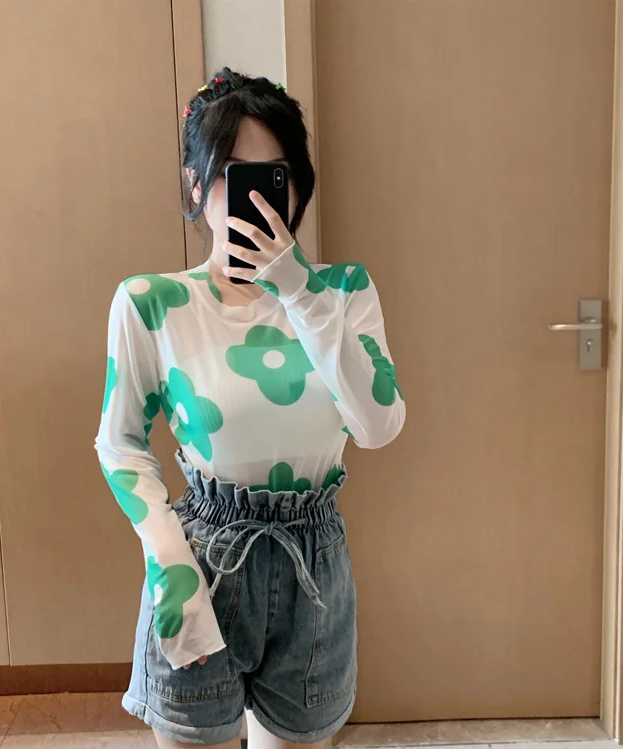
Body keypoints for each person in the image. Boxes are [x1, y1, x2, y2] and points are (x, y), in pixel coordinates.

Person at [95, 67, 405, 749]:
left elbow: (378, 425)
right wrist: (167, 556)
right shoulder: (152, 303)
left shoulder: (343, 292)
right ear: (195, 183)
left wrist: (297, 290)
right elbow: (119, 442)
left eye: (276, 175)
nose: (259, 197)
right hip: (197, 561)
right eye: (234, 174)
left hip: (314, 566)